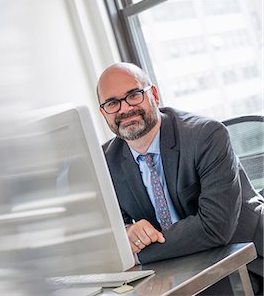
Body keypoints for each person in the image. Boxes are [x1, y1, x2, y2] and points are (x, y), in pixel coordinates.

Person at [96, 62, 263, 293]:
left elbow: (215, 227)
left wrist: (134, 253)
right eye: (113, 103)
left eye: (133, 95)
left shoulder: (206, 135)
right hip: (179, 264)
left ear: (153, 94)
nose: (125, 109)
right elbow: (110, 230)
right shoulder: (106, 162)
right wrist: (126, 232)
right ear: (103, 112)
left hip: (244, 253)